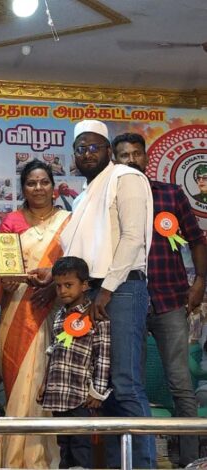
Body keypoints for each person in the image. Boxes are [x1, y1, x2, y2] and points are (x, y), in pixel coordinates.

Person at [33, 119, 155, 467]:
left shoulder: (126, 178)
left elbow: (132, 238)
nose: (87, 154)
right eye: (80, 149)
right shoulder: (86, 194)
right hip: (96, 290)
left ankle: (143, 464)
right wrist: (54, 275)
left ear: (108, 150)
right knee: (107, 388)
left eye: (93, 147)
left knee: (125, 383)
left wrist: (107, 291)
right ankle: (119, 464)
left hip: (122, 288)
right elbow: (82, 250)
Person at [113, 132, 206, 467]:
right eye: (124, 155)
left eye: (136, 154)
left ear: (146, 157)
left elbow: (196, 239)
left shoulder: (171, 193)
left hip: (170, 299)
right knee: (131, 385)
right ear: (116, 161)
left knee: (180, 383)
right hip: (128, 303)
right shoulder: (111, 197)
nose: (131, 160)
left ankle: (190, 460)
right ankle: (141, 460)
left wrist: (200, 282)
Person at [0, 160, 68, 468]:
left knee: (48, 381)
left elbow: (78, 266)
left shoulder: (68, 221)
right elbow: (2, 267)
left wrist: (54, 283)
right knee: (17, 386)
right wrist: (6, 279)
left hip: (55, 310)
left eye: (44, 182)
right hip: (16, 311)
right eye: (31, 183)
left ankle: (46, 461)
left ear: (53, 187)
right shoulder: (11, 221)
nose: (38, 188)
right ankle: (14, 460)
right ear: (23, 188)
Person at [37, 256, 111, 469]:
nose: (62, 291)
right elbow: (54, 351)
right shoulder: (59, 316)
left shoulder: (96, 316)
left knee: (81, 445)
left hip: (80, 393)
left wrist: (97, 392)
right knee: (64, 443)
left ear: (85, 285)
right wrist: (45, 383)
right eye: (58, 286)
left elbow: (103, 356)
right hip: (58, 391)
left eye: (68, 285)